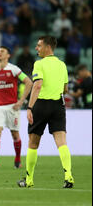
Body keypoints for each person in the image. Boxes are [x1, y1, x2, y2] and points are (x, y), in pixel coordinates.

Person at [18, 36, 75, 188]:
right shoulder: (62, 65)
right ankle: (68, 176)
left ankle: (29, 180)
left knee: (33, 142)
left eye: (38, 45)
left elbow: (37, 85)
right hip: (58, 105)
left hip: (41, 105)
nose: (36, 48)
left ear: (48, 47)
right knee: (62, 142)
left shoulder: (39, 64)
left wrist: (29, 107)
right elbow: (65, 89)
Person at [0, 46, 33, 169]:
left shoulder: (14, 70)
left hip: (12, 107)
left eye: (2, 51)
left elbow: (29, 82)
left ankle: (17, 160)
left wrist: (21, 101)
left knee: (15, 135)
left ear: (8, 55)